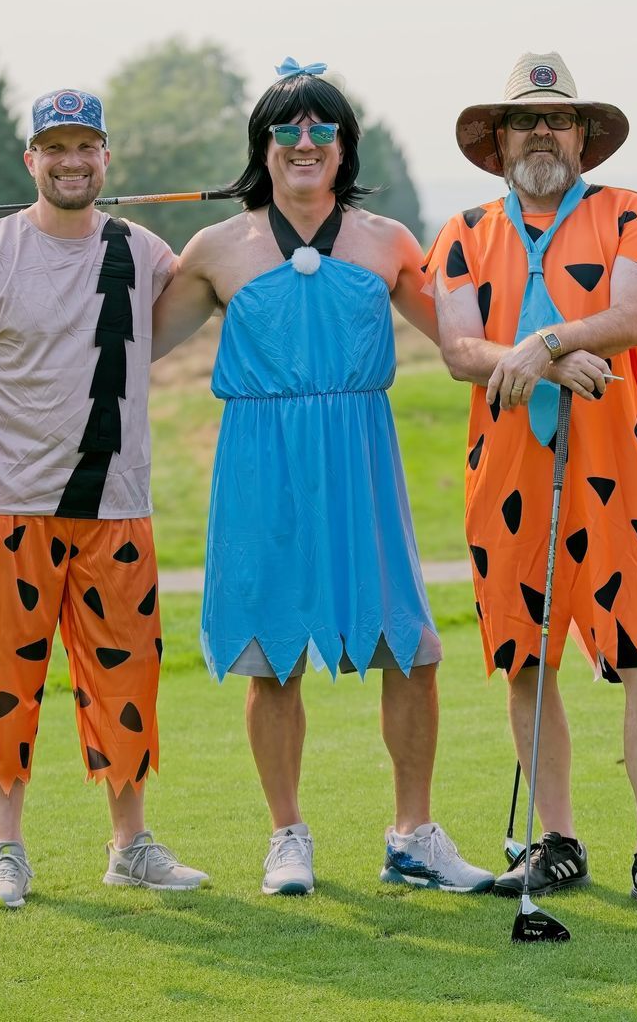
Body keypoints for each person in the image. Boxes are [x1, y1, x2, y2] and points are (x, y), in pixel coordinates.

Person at [153, 60, 494, 897]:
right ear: (262, 147)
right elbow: (131, 347)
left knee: (409, 647)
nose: (305, 142)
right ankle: (287, 837)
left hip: (359, 456)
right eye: (287, 129)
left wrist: (547, 351)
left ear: (344, 148)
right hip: (260, 461)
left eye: (322, 129)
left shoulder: (388, 243)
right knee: (272, 657)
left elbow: (462, 347)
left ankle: (413, 834)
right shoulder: (216, 250)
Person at [427, 52, 637, 917]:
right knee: (525, 657)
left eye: (559, 119)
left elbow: (633, 316)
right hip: (507, 468)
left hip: (615, 465)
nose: (542, 134)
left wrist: (544, 343)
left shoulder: (628, 213)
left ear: (583, 136)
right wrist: (543, 365)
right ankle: (558, 842)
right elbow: (461, 349)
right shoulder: (466, 230)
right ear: (498, 140)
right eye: (524, 121)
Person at [0, 88, 209, 910]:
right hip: (9, 510)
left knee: (128, 681)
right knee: (7, 684)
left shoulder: (140, 250)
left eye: (85, 147)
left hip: (116, 509)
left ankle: (131, 845)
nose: (71, 161)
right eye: (55, 148)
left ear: (105, 159)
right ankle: (6, 852)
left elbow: (213, 283)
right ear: (32, 159)